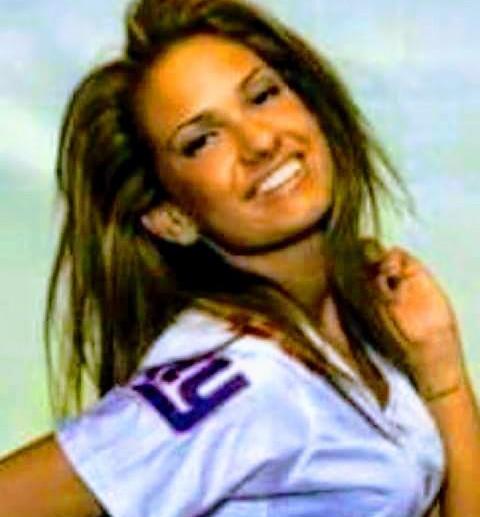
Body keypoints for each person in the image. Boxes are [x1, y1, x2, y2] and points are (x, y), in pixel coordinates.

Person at [1, 0, 479, 515]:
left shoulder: (350, 338)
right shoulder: (236, 378)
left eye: (263, 95)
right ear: (171, 217)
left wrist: (443, 377)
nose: (261, 141)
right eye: (202, 141)